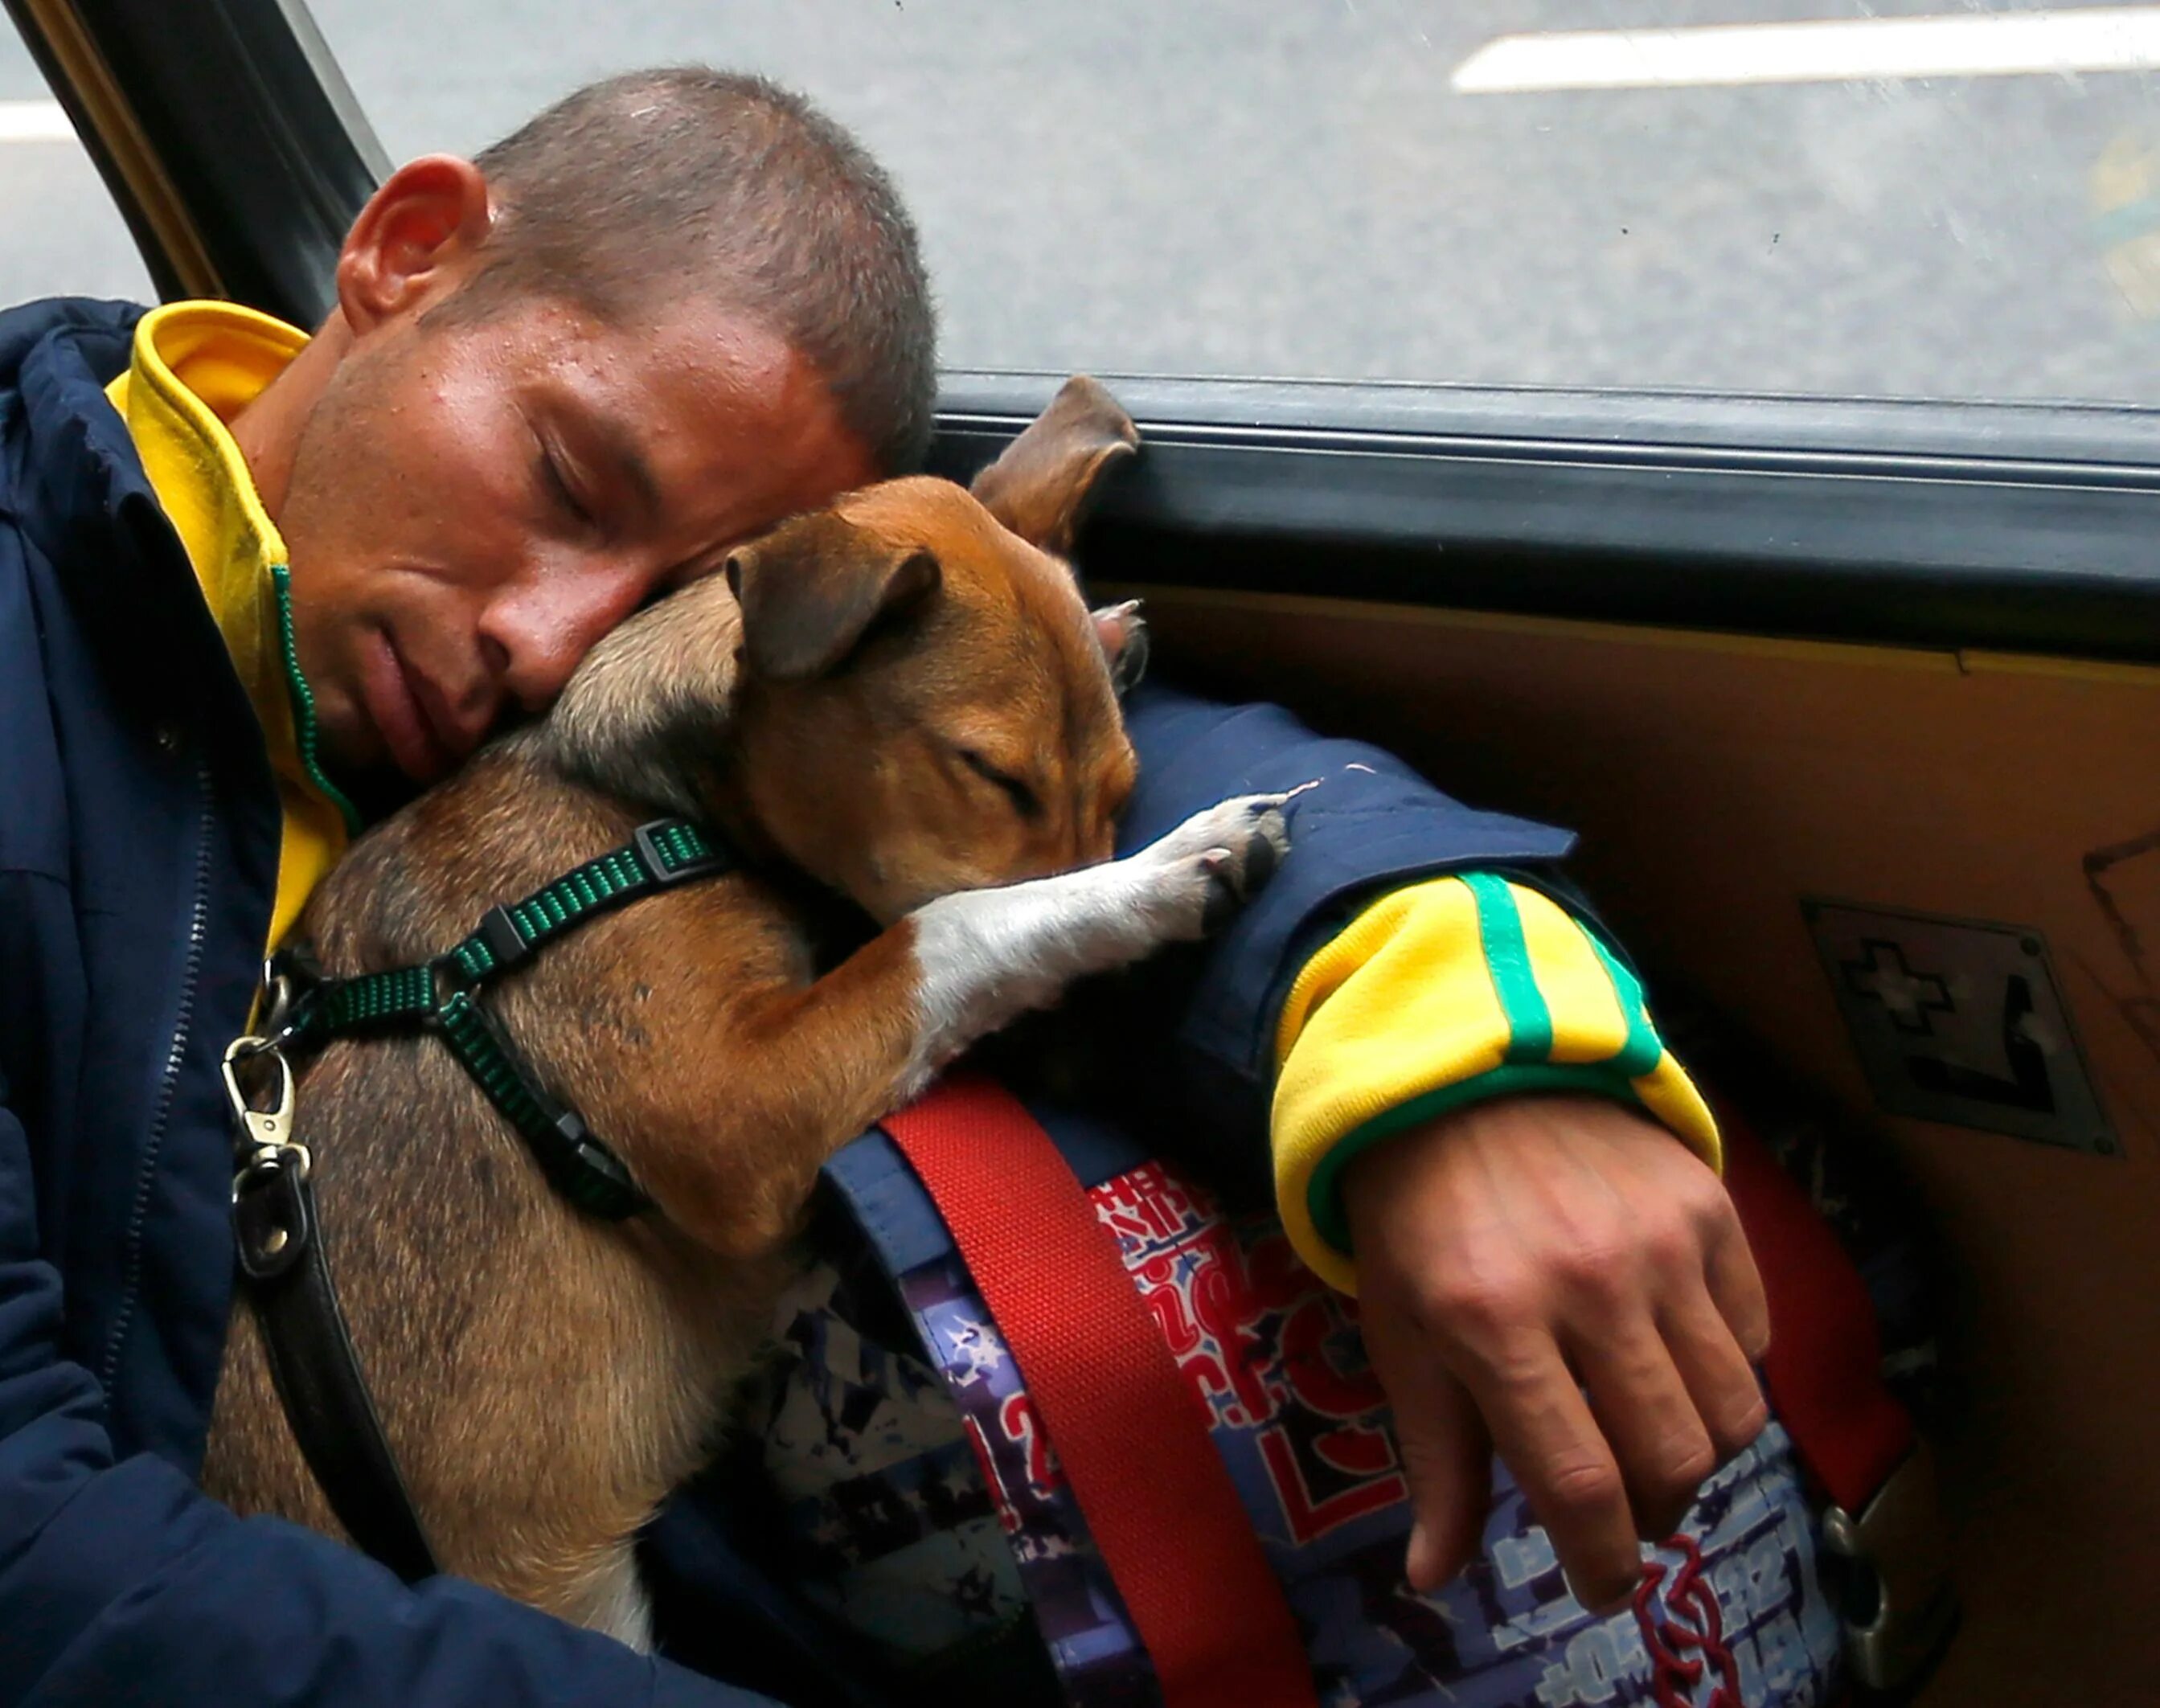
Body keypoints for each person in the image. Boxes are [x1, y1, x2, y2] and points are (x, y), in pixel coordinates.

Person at [0, 67, 1776, 1706]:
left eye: (678, 593)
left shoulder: (598, 701)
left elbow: (1016, 728)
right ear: (405, 252)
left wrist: (1425, 1011)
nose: (550, 643)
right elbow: (33, 1553)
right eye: (563, 471)